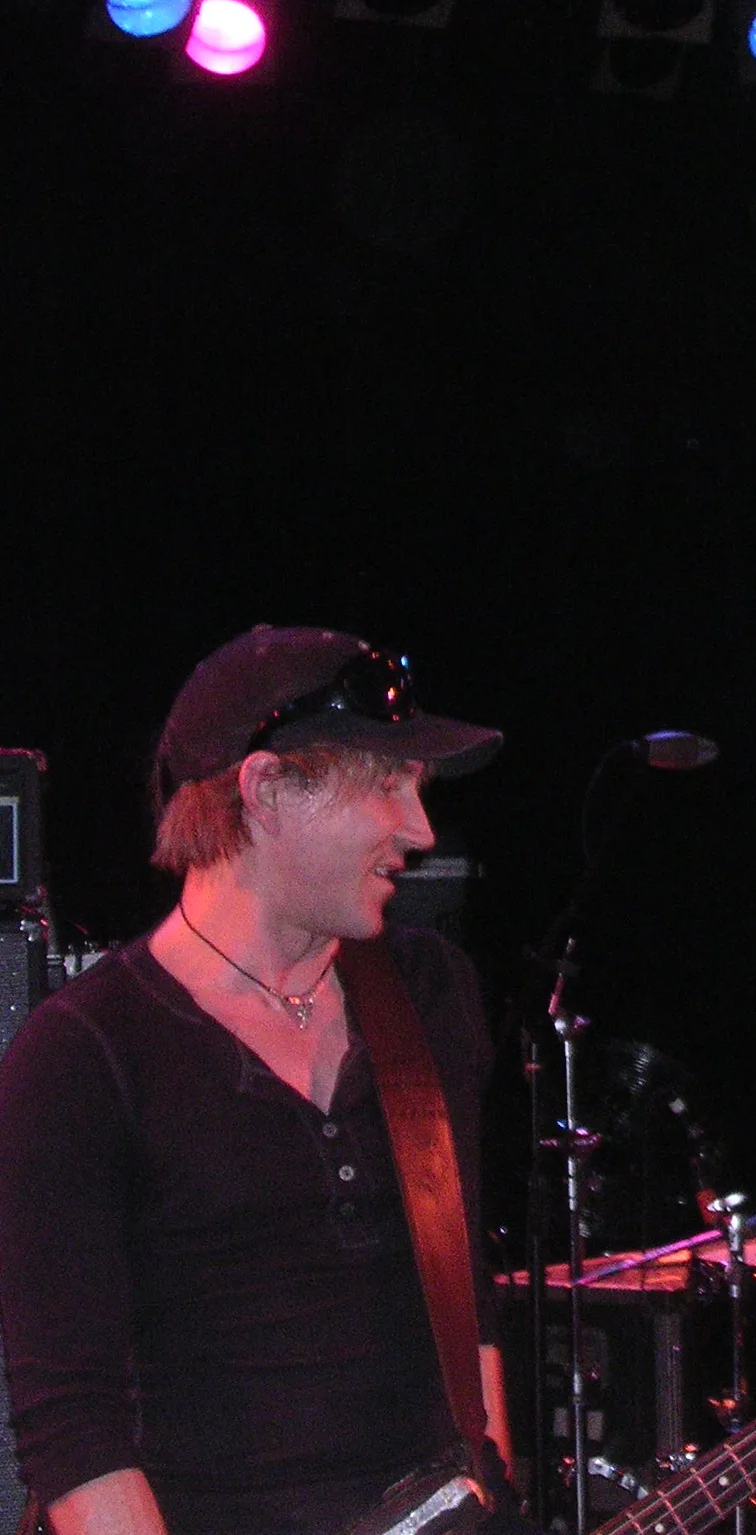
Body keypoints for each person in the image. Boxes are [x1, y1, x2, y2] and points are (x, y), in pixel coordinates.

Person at [0, 626, 515, 1535]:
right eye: (387, 785)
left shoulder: (429, 994)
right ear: (269, 789)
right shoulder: (80, 1054)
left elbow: (467, 1317)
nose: (421, 829)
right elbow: (77, 1437)